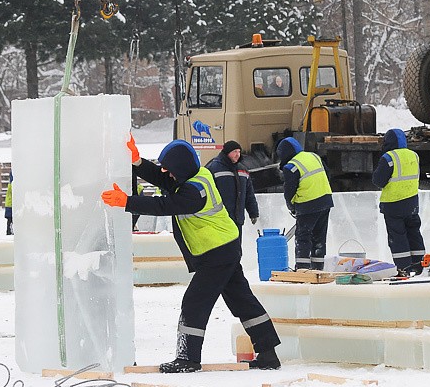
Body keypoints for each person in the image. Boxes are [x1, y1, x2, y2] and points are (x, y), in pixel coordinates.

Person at [102, 135, 281, 372]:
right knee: (242, 300)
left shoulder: (194, 192)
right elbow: (164, 179)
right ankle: (268, 354)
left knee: (195, 302)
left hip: (217, 252)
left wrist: (127, 202)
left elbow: (164, 206)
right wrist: (138, 162)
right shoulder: (196, 175)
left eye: (169, 168)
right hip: (224, 247)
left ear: (181, 168)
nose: (166, 172)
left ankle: (187, 358)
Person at [372, 129, 425, 274]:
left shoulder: (389, 158)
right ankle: (419, 266)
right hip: (412, 203)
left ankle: (404, 269)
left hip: (394, 205)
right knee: (414, 234)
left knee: (398, 237)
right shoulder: (414, 155)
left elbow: (378, 181)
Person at [277, 137, 333, 270]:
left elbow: (289, 190)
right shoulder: (314, 156)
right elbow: (328, 174)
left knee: (303, 237)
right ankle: (318, 268)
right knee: (319, 237)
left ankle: (302, 268)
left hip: (307, 204)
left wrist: (292, 206)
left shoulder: (291, 167)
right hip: (325, 200)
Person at [206, 140, 259, 241]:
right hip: (219, 220)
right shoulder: (213, 169)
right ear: (227, 153)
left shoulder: (243, 170)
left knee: (236, 249)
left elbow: (249, 194)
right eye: (235, 151)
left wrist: (253, 212)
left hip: (237, 219)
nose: (237, 155)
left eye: (239, 152)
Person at [5, 171, 13, 235]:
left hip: (9, 204)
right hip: (11, 204)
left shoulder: (12, 174)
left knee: (10, 222)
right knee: (11, 222)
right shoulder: (14, 174)